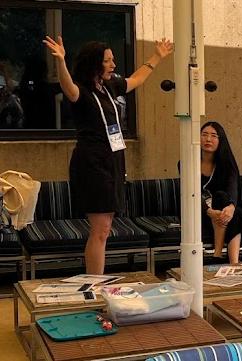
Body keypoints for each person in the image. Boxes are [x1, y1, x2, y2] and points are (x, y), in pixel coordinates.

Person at [43, 35, 173, 274]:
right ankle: (95, 283)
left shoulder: (110, 85)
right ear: (95, 63)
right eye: (108, 61)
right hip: (92, 162)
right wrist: (61, 61)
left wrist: (158, 57)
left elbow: (136, 79)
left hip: (113, 159)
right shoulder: (81, 91)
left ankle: (97, 280)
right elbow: (68, 89)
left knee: (106, 226)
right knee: (100, 229)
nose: (113, 65)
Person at [199, 121, 242, 264]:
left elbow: (233, 188)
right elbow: (191, 193)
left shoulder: (227, 163)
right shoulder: (187, 162)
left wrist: (231, 207)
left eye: (214, 136)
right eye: (204, 135)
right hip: (198, 211)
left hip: (222, 212)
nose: (208, 139)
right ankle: (232, 261)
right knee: (232, 211)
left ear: (220, 140)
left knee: (227, 204)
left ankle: (222, 257)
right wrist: (208, 211)